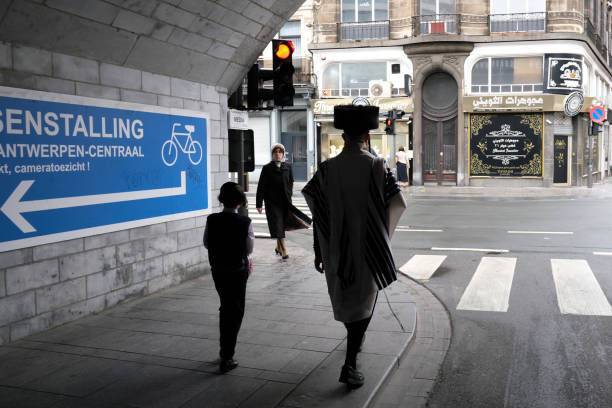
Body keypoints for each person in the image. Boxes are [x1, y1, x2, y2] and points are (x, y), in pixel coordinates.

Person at [302, 105, 406, 389]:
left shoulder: (327, 168)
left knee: (348, 298)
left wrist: (318, 248)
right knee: (365, 301)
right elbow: (397, 203)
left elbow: (315, 208)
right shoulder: (376, 166)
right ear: (367, 135)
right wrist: (382, 235)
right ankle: (349, 363)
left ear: (343, 134)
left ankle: (353, 347)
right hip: (368, 247)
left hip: (336, 246)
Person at [203, 182, 254, 373]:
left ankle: (225, 351)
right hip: (238, 271)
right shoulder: (245, 222)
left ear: (221, 199)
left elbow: (207, 243)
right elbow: (249, 249)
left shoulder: (212, 219)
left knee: (226, 306)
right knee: (235, 310)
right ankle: (227, 356)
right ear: (241, 202)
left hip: (218, 269)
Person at [256, 144, 294, 260]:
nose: (277, 154)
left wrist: (289, 195)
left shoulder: (287, 167)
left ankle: (278, 247)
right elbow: (261, 187)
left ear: (283, 154)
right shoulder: (267, 168)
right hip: (272, 203)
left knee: (281, 226)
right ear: (272, 154)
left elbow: (291, 182)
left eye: (280, 152)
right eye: (275, 152)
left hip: (285, 202)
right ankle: (284, 251)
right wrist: (259, 204)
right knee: (278, 225)